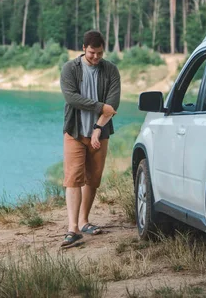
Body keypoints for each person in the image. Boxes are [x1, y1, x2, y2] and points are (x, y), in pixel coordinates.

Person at [59, 30, 121, 247]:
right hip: (75, 132)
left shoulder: (111, 70)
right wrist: (99, 106)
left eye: (100, 53)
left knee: (93, 179)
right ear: (84, 48)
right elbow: (71, 98)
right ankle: (72, 228)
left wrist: (97, 128)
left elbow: (112, 104)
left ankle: (84, 221)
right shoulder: (70, 69)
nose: (96, 57)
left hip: (100, 133)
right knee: (73, 178)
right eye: (92, 52)